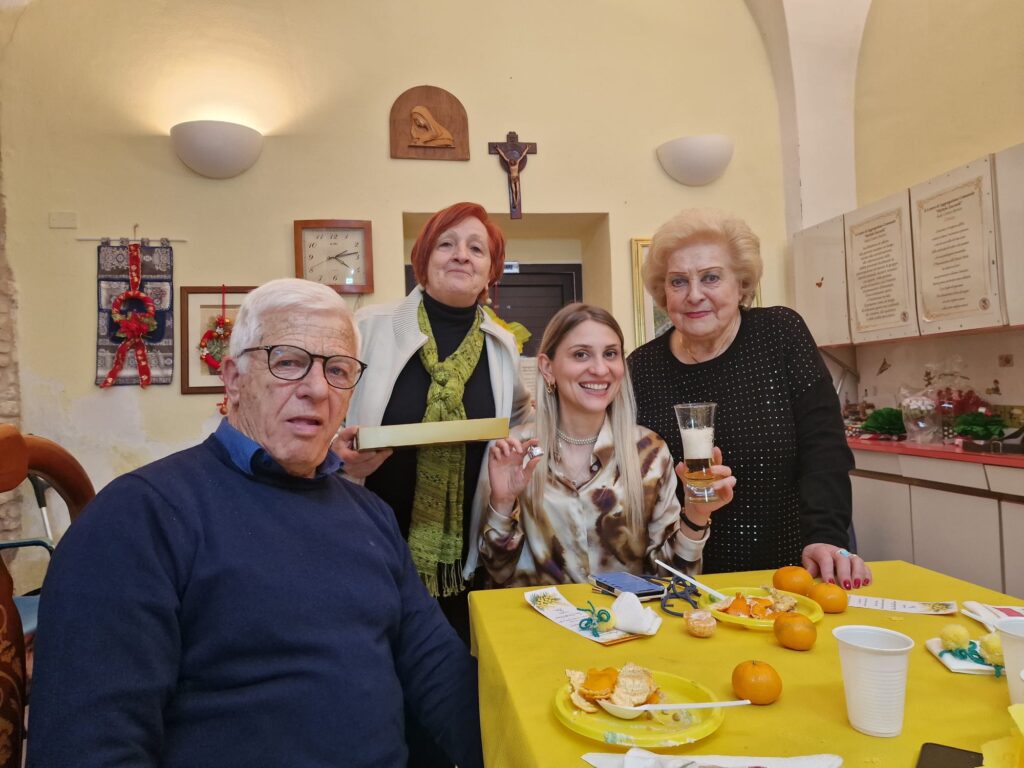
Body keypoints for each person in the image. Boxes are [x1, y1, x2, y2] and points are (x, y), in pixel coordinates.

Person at [27, 279, 483, 768]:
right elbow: (91, 746)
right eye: (288, 361)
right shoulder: (139, 517)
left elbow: (439, 672)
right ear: (233, 379)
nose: (317, 389)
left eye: (337, 370)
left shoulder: (370, 515)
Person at [334, 202, 529, 768]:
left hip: (459, 563)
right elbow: (325, 419)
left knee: (444, 709)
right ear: (422, 259)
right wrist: (341, 463)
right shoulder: (368, 329)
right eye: (447, 243)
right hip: (369, 549)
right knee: (371, 701)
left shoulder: (502, 346)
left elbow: (516, 421)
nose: (461, 255)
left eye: (476, 247)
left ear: (491, 269)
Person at [628, 208, 871, 590]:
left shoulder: (780, 334)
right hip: (684, 580)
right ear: (664, 292)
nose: (694, 295)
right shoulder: (642, 367)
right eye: (678, 281)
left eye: (711, 277)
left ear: (741, 285)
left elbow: (824, 447)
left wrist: (825, 535)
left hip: (787, 572)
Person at [480, 303, 735, 587]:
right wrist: (502, 503)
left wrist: (697, 515)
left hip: (626, 616)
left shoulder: (650, 452)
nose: (600, 369)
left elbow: (672, 580)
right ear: (547, 368)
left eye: (610, 354)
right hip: (539, 615)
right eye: (581, 354)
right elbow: (498, 574)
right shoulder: (516, 451)